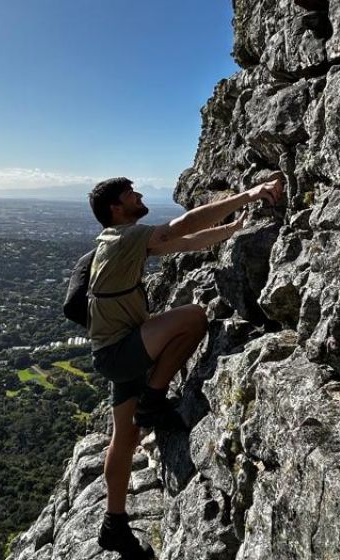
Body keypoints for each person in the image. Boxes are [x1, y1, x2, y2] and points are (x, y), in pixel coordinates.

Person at [87, 176, 284, 559]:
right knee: (193, 317)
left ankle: (114, 524)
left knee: (124, 438)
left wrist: (230, 230)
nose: (139, 195)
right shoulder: (125, 238)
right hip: (121, 351)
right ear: (116, 208)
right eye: (130, 194)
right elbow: (184, 225)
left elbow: (185, 242)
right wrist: (248, 194)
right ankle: (153, 400)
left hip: (112, 352)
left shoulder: (115, 241)